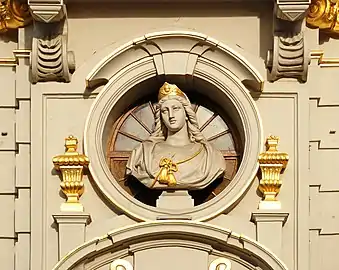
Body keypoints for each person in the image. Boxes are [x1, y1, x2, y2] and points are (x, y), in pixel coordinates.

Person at [126, 82, 225, 189]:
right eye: (165, 111)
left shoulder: (210, 156)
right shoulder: (143, 153)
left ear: (186, 113)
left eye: (176, 108)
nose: (171, 115)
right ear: (161, 118)